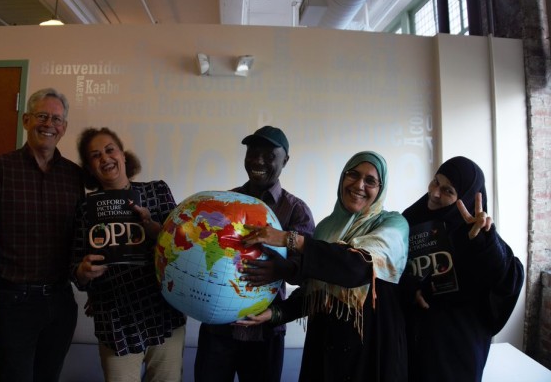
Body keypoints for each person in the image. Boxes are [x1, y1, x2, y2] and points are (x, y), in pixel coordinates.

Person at [238, 150, 409, 382]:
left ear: (380, 189)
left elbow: (356, 267)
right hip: (325, 345)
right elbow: (315, 291)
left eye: (370, 181)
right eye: (353, 174)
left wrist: (290, 239)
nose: (359, 185)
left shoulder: (393, 224)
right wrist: (275, 313)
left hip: (371, 347)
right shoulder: (327, 228)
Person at [0, 88, 84, 382]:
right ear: (26, 120)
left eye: (57, 119)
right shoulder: (0, 168)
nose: (49, 124)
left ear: (64, 128)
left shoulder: (74, 176)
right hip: (14, 303)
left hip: (61, 302)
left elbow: (81, 236)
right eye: (42, 116)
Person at [194, 125, 315, 382]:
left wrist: (280, 269)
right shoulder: (226, 202)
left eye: (269, 155)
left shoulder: (296, 211)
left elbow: (306, 273)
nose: (258, 160)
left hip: (265, 332)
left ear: (286, 160)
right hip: (218, 330)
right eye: (252, 152)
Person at [72, 127, 186, 382]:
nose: (105, 158)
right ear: (90, 168)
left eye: (110, 150)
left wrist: (156, 230)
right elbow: (75, 271)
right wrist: (83, 271)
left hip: (163, 312)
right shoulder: (84, 209)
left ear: (123, 156)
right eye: (95, 155)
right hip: (115, 320)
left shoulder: (157, 191)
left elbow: (182, 248)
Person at [399, 156, 524, 382]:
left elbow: (507, 278)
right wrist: (410, 289)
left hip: (456, 349)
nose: (435, 193)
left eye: (448, 191)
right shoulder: (411, 218)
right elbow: (392, 268)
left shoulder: (478, 231)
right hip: (412, 343)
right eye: (435, 182)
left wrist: (485, 242)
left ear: (465, 198)